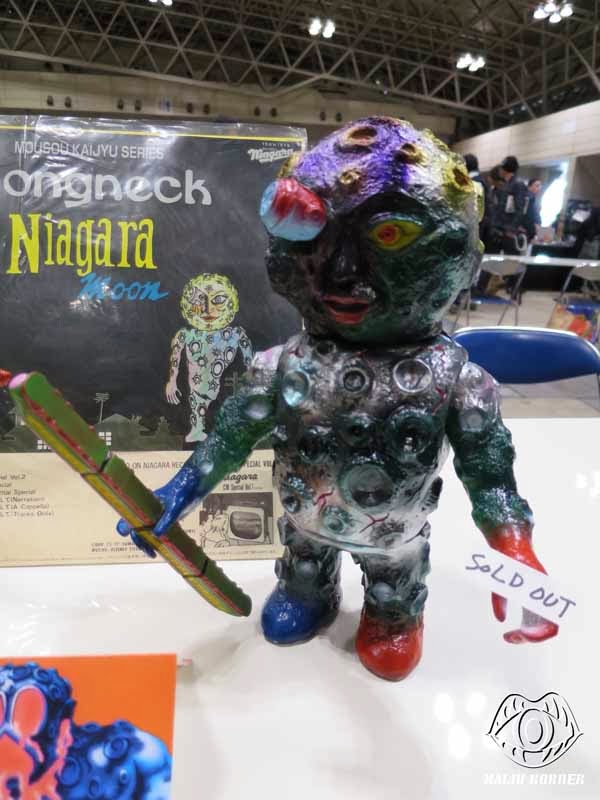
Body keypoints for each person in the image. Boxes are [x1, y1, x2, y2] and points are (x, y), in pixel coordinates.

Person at [489, 155, 528, 254]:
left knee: (510, 260)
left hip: (507, 230)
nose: (500, 170)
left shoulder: (518, 185)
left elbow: (520, 209)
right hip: (499, 228)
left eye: (502, 168)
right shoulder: (506, 184)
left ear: (504, 170)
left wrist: (512, 229)